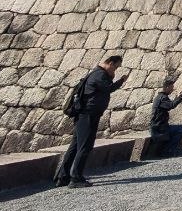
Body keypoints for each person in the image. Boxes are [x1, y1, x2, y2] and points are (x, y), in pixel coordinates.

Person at [55, 54, 129, 188]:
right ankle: (75, 178)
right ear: (111, 63)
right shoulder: (99, 75)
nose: (115, 70)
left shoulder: (96, 74)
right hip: (88, 115)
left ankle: (62, 177)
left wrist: (112, 77)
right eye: (116, 67)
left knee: (75, 146)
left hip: (84, 115)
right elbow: (108, 88)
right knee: (85, 146)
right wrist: (120, 80)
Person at [150, 77, 182, 156]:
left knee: (178, 128)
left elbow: (170, 104)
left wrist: (178, 97)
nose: (172, 90)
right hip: (158, 128)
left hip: (159, 126)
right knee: (181, 128)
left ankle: (169, 150)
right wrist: (180, 97)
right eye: (171, 88)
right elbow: (171, 105)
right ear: (166, 87)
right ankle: (168, 150)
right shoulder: (162, 98)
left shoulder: (160, 97)